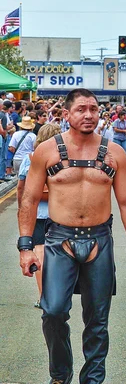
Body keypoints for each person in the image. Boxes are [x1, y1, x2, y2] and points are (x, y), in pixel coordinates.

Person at [17, 88, 126, 384]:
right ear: (68, 114)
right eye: (81, 109)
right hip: (59, 240)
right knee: (53, 311)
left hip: (100, 241)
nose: (88, 114)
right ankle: (59, 376)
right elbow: (29, 200)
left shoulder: (114, 152)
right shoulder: (46, 151)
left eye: (93, 109)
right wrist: (26, 247)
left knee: (97, 321)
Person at [17, 123, 61, 307]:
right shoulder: (63, 159)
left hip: (37, 214)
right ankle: (59, 295)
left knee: (40, 255)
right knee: (60, 257)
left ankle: (44, 297)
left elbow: (21, 187)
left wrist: (22, 210)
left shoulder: (30, 159)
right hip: (59, 214)